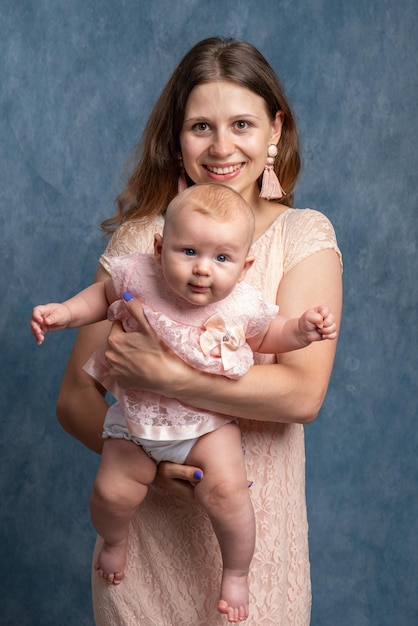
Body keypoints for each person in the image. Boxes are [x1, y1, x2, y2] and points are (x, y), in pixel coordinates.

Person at [55, 37, 342, 625]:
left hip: (253, 561)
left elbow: (301, 394)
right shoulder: (142, 243)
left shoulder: (303, 237)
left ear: (274, 132)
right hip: (146, 554)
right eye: (200, 127)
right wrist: (157, 470)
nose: (221, 147)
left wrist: (167, 375)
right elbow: (75, 400)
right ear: (176, 139)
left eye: (241, 123)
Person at [31, 183, 337, 622]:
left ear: (245, 265)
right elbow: (101, 297)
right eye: (188, 251)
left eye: (222, 259)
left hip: (204, 425)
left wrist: (301, 331)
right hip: (136, 420)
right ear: (160, 247)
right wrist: (65, 313)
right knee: (111, 491)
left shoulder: (242, 303)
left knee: (230, 492)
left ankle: (235, 572)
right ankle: (115, 540)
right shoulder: (139, 274)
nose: (202, 271)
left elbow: (270, 334)